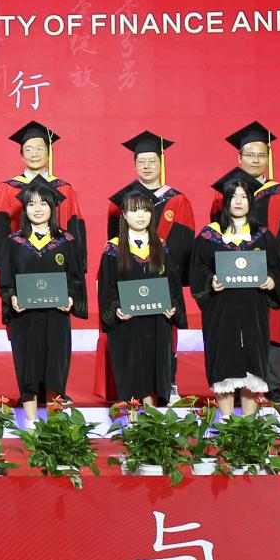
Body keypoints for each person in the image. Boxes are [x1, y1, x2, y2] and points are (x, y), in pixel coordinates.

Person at [95, 132, 195, 400]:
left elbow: (183, 245)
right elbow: (114, 250)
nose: (147, 166)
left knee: (162, 342)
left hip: (160, 281)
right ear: (134, 164)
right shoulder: (121, 201)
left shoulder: (177, 200)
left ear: (161, 163)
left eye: (152, 161)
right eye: (142, 161)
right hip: (129, 286)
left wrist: (171, 291)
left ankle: (168, 383)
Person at [210, 122, 280, 405]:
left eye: (261, 155)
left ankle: (273, 386)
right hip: (233, 275)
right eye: (250, 155)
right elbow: (215, 232)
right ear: (239, 157)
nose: (256, 160)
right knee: (236, 328)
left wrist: (273, 270)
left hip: (266, 276)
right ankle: (236, 387)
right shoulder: (224, 191)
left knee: (271, 326)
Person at [0, 180, 87, 418]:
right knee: (28, 367)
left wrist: (71, 298)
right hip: (25, 317)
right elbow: (5, 280)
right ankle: (32, 423)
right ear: (24, 209)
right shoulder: (13, 242)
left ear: (53, 208)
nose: (37, 209)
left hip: (56, 316)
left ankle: (54, 424)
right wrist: (12, 297)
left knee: (56, 366)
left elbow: (76, 278)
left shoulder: (66, 241)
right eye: (31, 204)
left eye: (43, 203)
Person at [192, 170, 280, 414]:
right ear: (226, 201)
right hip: (221, 310)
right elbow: (198, 270)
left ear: (251, 201)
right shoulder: (210, 235)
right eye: (234, 196)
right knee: (224, 363)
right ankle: (226, 422)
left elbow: (275, 268)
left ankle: (249, 428)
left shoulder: (262, 235)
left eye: (244, 197)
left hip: (254, 309)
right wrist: (210, 281)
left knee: (252, 364)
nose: (239, 201)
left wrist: (272, 281)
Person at [98, 183, 183, 408]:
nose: (141, 215)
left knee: (155, 368)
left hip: (157, 321)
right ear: (124, 215)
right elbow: (106, 287)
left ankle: (151, 415)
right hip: (128, 324)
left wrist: (173, 305)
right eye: (134, 210)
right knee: (132, 368)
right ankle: (133, 419)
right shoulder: (113, 249)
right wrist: (116, 308)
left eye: (145, 210)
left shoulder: (161, 247)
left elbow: (173, 284)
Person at [0, 120, 85, 254]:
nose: (34, 154)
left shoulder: (64, 189)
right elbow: (0, 229)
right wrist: (3, 260)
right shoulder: (8, 188)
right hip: (19, 257)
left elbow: (75, 228)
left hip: (59, 258)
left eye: (39, 149)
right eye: (28, 150)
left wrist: (76, 260)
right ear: (22, 156)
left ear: (49, 153)